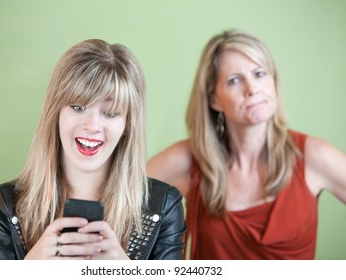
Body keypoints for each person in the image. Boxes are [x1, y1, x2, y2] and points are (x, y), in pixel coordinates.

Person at [147, 29, 346, 259]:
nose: (252, 89)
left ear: (273, 81)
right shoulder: (189, 159)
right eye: (234, 80)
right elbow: (116, 189)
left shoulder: (312, 156)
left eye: (259, 73)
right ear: (214, 99)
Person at [0, 39, 186, 260]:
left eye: (111, 112)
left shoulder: (164, 206)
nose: (92, 126)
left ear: (127, 124)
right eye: (78, 107)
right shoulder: (2, 206)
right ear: (55, 112)